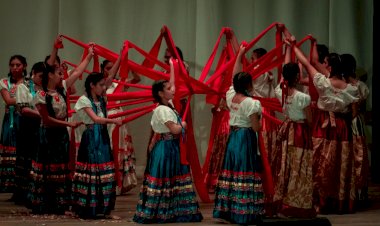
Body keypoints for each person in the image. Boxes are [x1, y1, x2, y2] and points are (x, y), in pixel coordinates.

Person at [133, 58, 202, 223]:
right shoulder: (162, 110)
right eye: (168, 89)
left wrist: (173, 66)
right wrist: (183, 124)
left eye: (171, 88)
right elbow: (175, 130)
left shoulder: (168, 104)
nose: (173, 90)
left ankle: (173, 211)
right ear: (161, 93)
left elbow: (173, 83)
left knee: (173, 179)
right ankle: (162, 212)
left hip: (171, 147)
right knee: (165, 179)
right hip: (165, 148)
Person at [293, 44, 359, 214]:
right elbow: (353, 113)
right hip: (342, 127)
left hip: (323, 125)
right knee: (340, 162)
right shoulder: (352, 88)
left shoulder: (323, 83)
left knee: (320, 161)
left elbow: (308, 63)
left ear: (329, 67)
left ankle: (320, 200)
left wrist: (292, 45)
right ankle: (339, 201)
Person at [29, 45, 93, 215]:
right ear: (50, 75)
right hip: (48, 135)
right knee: (48, 167)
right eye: (58, 73)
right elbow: (46, 119)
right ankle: (46, 203)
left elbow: (78, 72)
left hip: (60, 135)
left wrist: (89, 55)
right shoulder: (41, 95)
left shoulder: (61, 89)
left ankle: (60, 203)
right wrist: (69, 125)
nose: (62, 76)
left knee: (61, 167)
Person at [213, 45, 264, 225]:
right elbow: (256, 128)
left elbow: (235, 75)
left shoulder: (230, 96)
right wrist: (261, 119)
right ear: (249, 85)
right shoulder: (251, 103)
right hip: (245, 138)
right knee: (244, 171)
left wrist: (240, 54)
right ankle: (243, 212)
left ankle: (228, 210)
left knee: (233, 171)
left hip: (233, 138)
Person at [271, 38, 315, 217]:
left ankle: (282, 202)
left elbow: (284, 71)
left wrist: (289, 48)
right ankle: (295, 204)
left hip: (286, 130)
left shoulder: (279, 91)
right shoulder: (302, 97)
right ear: (297, 77)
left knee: (285, 166)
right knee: (299, 167)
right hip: (299, 132)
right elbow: (309, 120)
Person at [72, 72, 122, 219]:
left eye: (103, 85)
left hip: (102, 137)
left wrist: (120, 58)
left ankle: (104, 209)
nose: (103, 88)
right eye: (100, 85)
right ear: (92, 85)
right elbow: (95, 119)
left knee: (104, 171)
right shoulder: (83, 100)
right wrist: (113, 121)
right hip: (92, 138)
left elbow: (110, 77)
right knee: (93, 171)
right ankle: (89, 208)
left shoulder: (101, 99)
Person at [103, 48, 140, 195]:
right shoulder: (103, 84)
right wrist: (120, 57)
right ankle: (111, 182)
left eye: (112, 68)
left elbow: (137, 79)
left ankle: (122, 183)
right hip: (109, 119)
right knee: (112, 149)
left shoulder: (120, 83)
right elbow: (111, 76)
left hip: (120, 118)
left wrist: (128, 64)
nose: (111, 70)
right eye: (107, 68)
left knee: (122, 149)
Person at [341, 53, 370, 207]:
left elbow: (358, 107)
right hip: (345, 121)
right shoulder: (342, 83)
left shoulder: (359, 86)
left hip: (353, 122)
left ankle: (359, 192)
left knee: (358, 155)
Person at [13, 62, 44, 205]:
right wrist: (42, 114)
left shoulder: (44, 88)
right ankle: (23, 194)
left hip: (40, 127)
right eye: (40, 76)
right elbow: (24, 109)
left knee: (37, 160)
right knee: (26, 160)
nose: (42, 79)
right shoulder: (23, 87)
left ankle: (36, 194)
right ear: (33, 73)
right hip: (27, 127)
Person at [0, 55, 27, 194]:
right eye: (12, 65)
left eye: (18, 65)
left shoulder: (29, 83)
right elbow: (8, 100)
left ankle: (22, 183)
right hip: (11, 120)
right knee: (10, 147)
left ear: (24, 66)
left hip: (25, 120)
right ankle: (8, 183)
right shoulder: (4, 82)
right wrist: (25, 99)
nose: (15, 67)